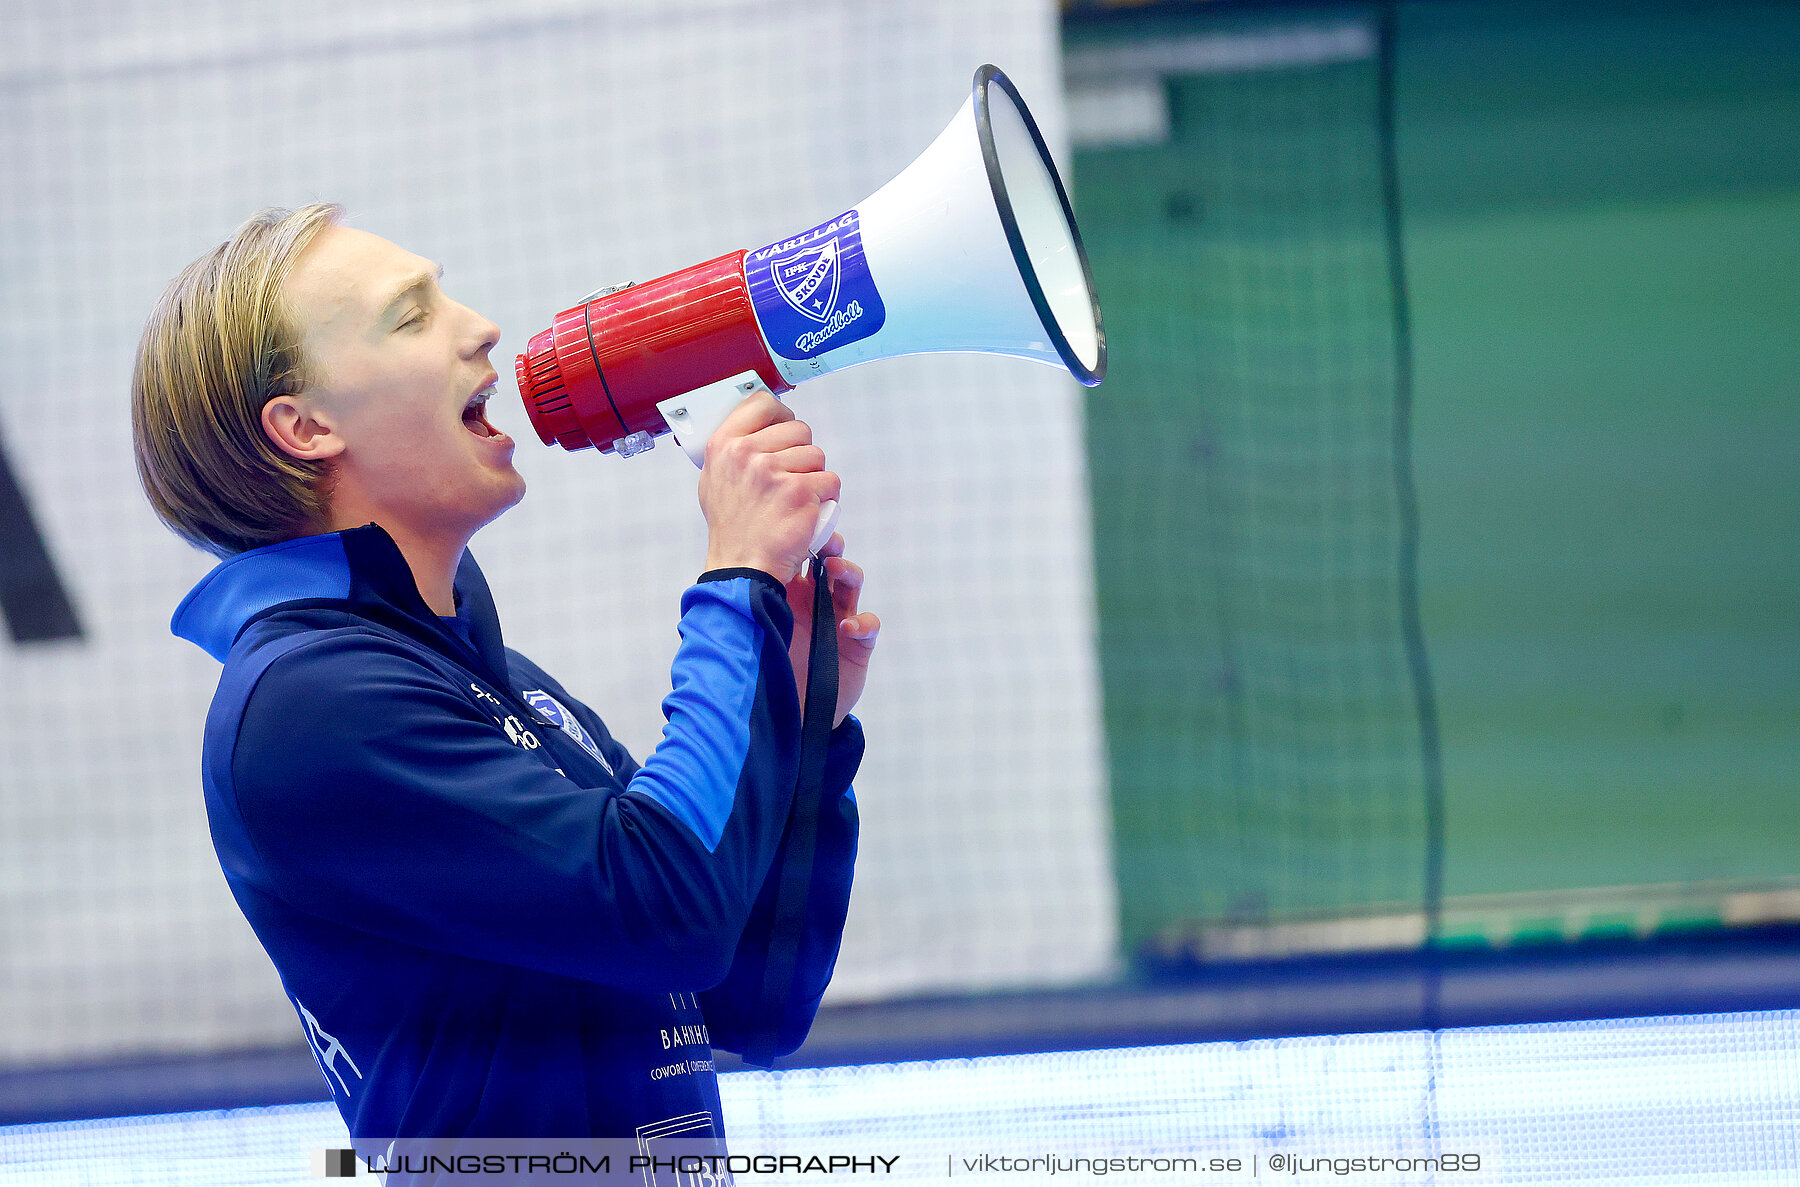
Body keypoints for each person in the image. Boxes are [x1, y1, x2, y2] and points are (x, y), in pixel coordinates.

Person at [130, 204, 877, 1157]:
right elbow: (670, 905)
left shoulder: (494, 682)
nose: (479, 327)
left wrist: (800, 717)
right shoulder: (309, 704)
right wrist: (739, 582)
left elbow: (749, 993)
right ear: (305, 426)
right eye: (412, 316)